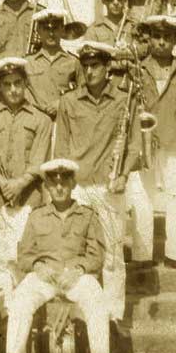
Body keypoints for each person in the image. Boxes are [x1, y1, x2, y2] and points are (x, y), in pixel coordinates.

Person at [0, 158, 116, 353]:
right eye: (53, 184)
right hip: (44, 276)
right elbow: (24, 255)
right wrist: (38, 266)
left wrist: (80, 268)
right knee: (19, 301)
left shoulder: (88, 215)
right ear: (47, 187)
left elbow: (97, 254)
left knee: (97, 301)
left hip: (76, 276)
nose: (59, 188)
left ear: (72, 184)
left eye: (64, 182)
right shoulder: (36, 216)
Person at [54, 41, 140, 324]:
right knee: (77, 251)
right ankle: (81, 315)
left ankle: (114, 316)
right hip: (78, 188)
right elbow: (62, 147)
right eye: (86, 66)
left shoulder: (124, 100)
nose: (89, 71)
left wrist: (124, 175)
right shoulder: (68, 101)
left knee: (113, 254)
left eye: (95, 66)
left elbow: (133, 143)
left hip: (109, 186)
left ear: (107, 69)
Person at [0, 57, 51, 301]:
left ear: (26, 83)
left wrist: (19, 183)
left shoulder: (41, 119)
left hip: (27, 200)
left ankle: (22, 312)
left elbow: (39, 160)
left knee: (22, 259)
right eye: (7, 84)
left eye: (18, 83)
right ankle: (4, 316)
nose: (14, 89)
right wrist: (3, 183)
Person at [133, 15, 176, 274]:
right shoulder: (137, 71)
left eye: (167, 37)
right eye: (156, 37)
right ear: (149, 39)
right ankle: (141, 255)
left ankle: (175, 253)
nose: (161, 42)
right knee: (142, 199)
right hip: (145, 144)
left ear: (175, 40)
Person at [24, 8, 82, 117]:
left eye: (55, 29)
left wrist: (62, 103)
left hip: (64, 119)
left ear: (62, 30)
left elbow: (83, 92)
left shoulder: (73, 62)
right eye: (46, 29)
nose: (51, 34)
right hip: (35, 121)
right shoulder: (27, 63)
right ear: (38, 31)